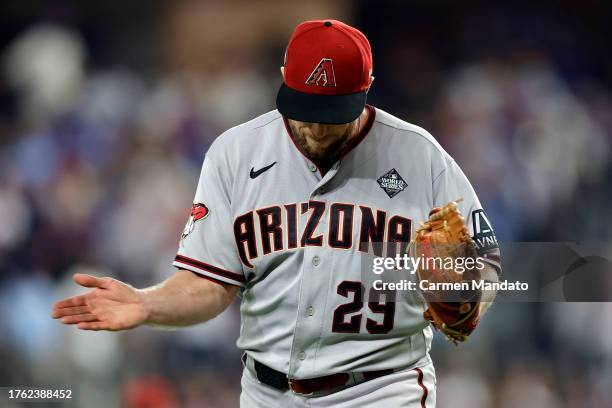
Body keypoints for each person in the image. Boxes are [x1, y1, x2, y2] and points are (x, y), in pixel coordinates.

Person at [52, 19, 501, 407]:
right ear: (284, 77)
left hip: (381, 388)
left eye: (331, 113)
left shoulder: (419, 156)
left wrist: (467, 290)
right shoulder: (236, 153)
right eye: (306, 109)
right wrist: (147, 303)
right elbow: (210, 281)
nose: (316, 127)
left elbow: (487, 268)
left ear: (364, 90)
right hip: (267, 392)